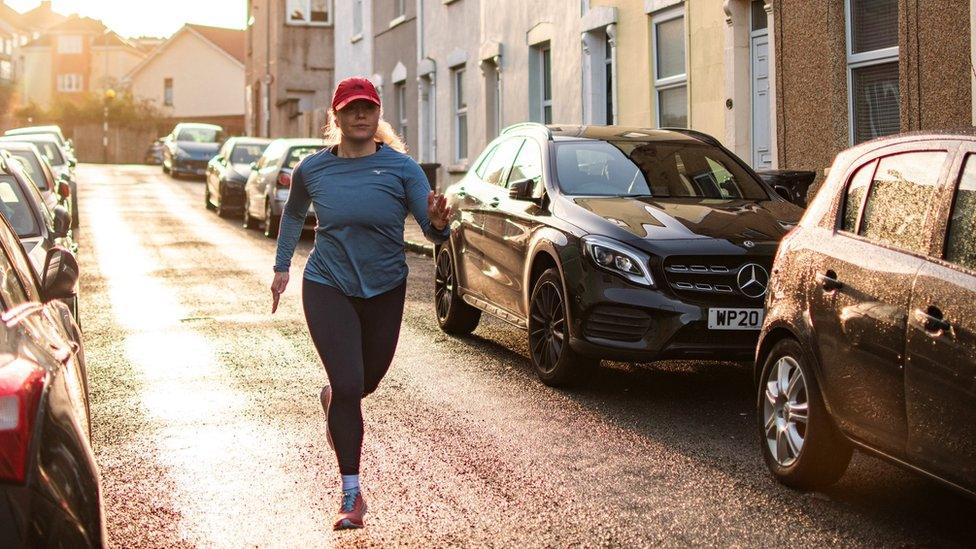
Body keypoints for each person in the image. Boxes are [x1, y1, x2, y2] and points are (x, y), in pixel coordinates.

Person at [271, 76, 451, 531]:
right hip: (328, 284)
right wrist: (281, 267)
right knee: (350, 387)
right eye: (350, 109)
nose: (359, 116)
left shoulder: (403, 169)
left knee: (362, 384)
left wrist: (438, 224)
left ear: (377, 115)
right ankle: (351, 494)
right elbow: (293, 214)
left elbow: (430, 230)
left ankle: (334, 398)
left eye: (367, 108)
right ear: (335, 116)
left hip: (385, 287)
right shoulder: (313, 169)